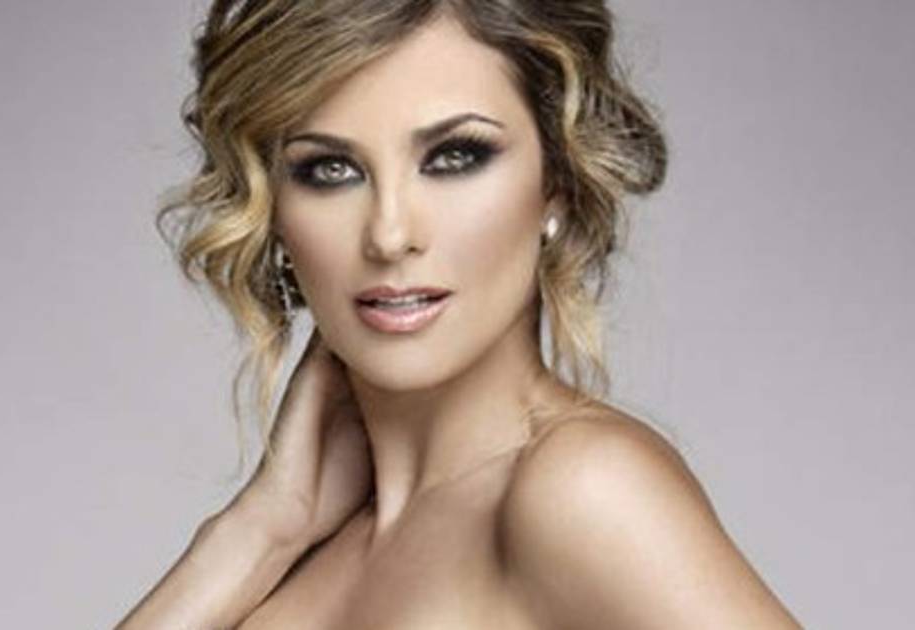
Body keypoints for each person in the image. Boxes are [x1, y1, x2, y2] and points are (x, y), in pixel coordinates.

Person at [117, 1, 802, 628]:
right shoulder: (295, 544)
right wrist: (255, 531)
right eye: (330, 170)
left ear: (557, 185)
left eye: (454, 157)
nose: (389, 236)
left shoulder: (583, 487)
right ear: (273, 210)